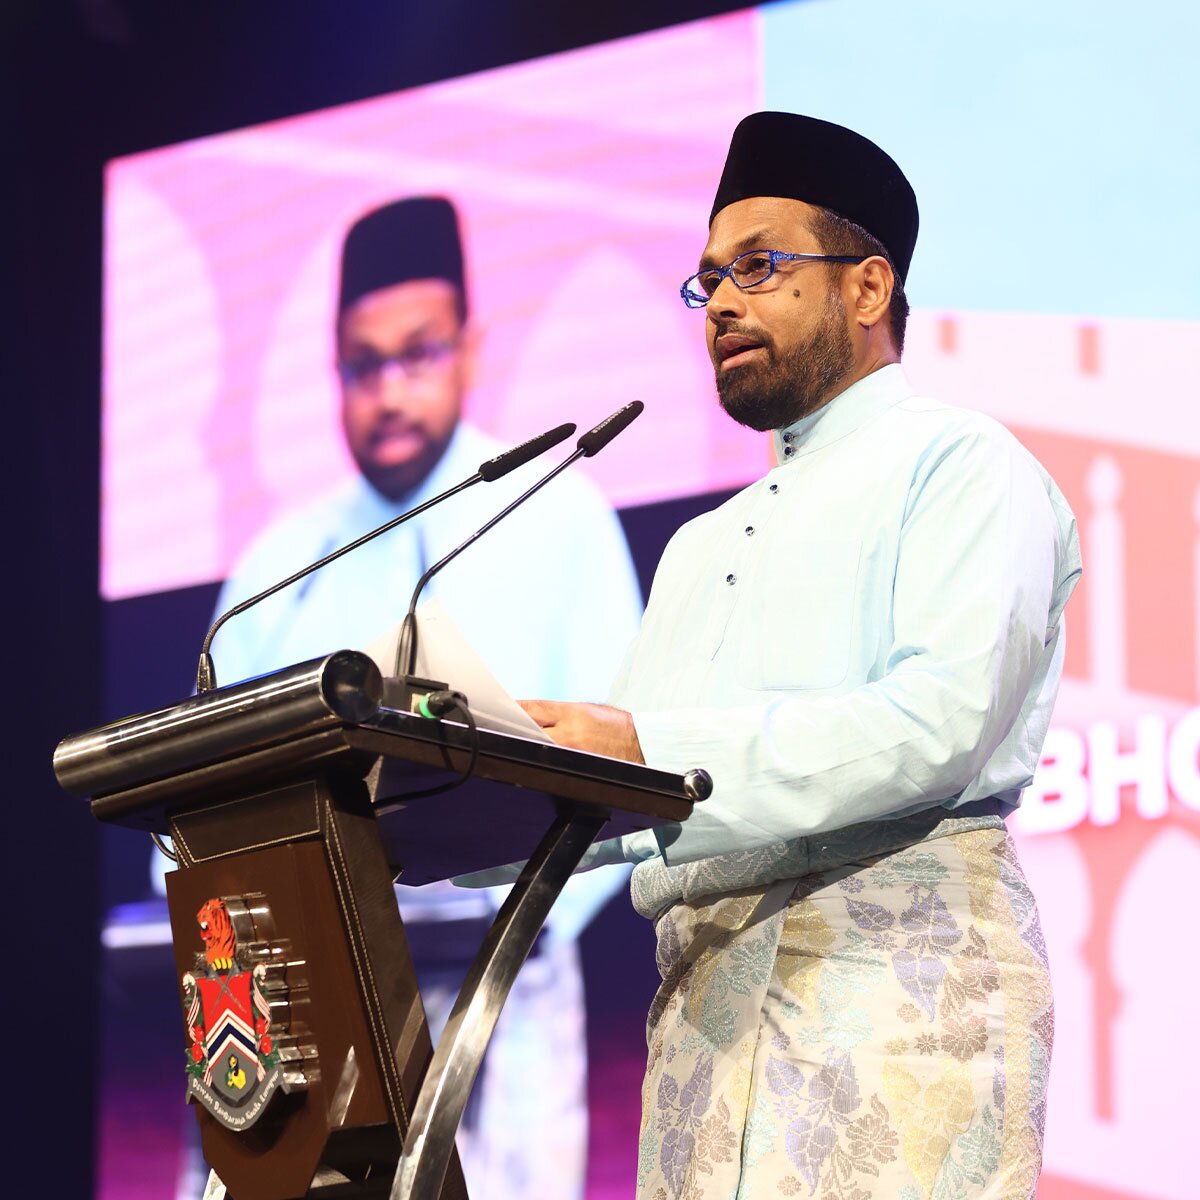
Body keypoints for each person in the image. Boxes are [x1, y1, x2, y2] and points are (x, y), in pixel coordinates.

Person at [513, 113, 1081, 1199]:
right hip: (703, 1030)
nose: (723, 303)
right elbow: (606, 794)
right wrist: (418, 800)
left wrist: (644, 750)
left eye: (760, 267)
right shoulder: (697, 547)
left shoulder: (960, 463)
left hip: (894, 997)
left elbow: (938, 724)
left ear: (868, 288)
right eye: (709, 280)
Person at [204, 197, 645, 1198]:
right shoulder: (276, 568)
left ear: (469, 349)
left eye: (419, 354)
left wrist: (509, 922)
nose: (391, 392)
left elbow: (625, 761)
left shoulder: (557, 518)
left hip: (504, 983)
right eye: (364, 366)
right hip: (303, 997)